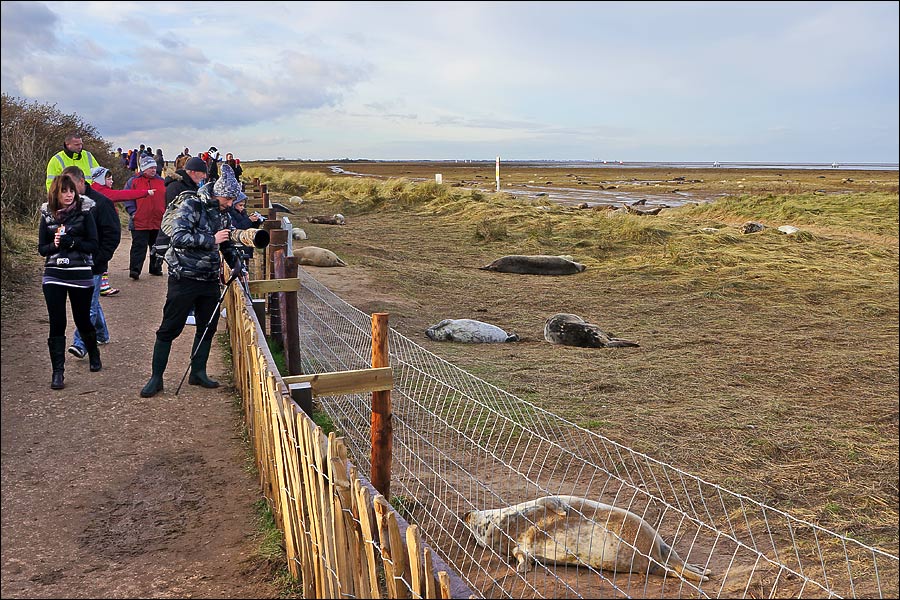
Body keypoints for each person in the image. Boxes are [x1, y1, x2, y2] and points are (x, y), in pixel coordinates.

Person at [140, 164, 244, 398]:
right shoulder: (191, 204)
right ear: (218, 192)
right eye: (228, 198)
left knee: (207, 327)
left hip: (209, 279)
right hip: (184, 276)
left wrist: (237, 263)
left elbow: (225, 242)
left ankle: (198, 372)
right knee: (169, 328)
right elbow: (178, 237)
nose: (230, 203)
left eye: (232, 198)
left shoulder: (224, 213)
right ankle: (156, 378)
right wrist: (211, 239)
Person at [39, 175, 101, 389]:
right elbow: (42, 249)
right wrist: (55, 245)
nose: (68, 195)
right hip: (54, 273)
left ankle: (93, 351)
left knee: (82, 319)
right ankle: (58, 372)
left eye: (72, 191)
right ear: (55, 193)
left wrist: (73, 242)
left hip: (80, 272)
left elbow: (93, 245)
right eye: (64, 191)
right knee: (57, 321)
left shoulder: (85, 213)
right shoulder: (47, 215)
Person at [59, 167, 120, 360]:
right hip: (74, 263)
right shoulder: (67, 205)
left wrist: (100, 259)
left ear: (80, 182)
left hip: (94, 264)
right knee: (91, 302)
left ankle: (80, 343)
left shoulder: (102, 204)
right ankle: (102, 334)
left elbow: (112, 235)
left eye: (70, 185)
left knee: (87, 307)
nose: (67, 190)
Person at [88, 166, 157, 296]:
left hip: (97, 229)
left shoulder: (93, 191)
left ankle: (102, 284)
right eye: (109, 179)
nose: (112, 181)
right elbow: (124, 195)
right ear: (101, 179)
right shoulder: (103, 193)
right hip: (101, 230)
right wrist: (145, 193)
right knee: (101, 258)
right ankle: (101, 286)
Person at [122, 155, 166, 279]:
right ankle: (135, 270)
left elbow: (166, 198)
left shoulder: (162, 182)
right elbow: (127, 197)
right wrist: (133, 212)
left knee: (157, 247)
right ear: (143, 168)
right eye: (150, 168)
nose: (153, 170)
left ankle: (155, 268)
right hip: (139, 220)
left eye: (154, 168)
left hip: (158, 220)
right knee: (138, 247)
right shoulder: (133, 181)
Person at [226, 192, 260, 261]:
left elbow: (249, 228)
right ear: (234, 204)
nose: (242, 207)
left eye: (243, 205)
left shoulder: (242, 213)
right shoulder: (229, 215)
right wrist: (249, 220)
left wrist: (256, 221)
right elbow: (236, 228)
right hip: (237, 245)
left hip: (246, 244)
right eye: (240, 205)